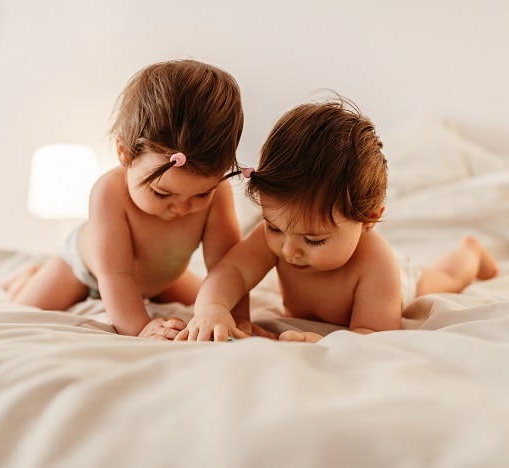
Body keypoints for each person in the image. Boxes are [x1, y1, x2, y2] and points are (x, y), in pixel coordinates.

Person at [176, 95, 499, 343]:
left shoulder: (377, 265)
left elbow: (373, 334)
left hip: (405, 280)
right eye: (274, 227)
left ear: (368, 220)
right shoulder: (279, 238)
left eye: (314, 239)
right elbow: (231, 271)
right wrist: (212, 309)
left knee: (444, 277)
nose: (289, 250)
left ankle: (470, 253)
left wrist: (317, 340)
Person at [6, 59, 257, 340]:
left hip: (162, 278)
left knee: (211, 296)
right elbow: (116, 275)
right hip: (88, 270)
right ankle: (26, 277)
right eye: (162, 193)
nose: (182, 207)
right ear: (124, 153)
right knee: (23, 307)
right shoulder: (109, 193)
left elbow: (227, 267)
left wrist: (238, 320)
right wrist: (141, 327)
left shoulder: (218, 193)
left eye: (201, 194)